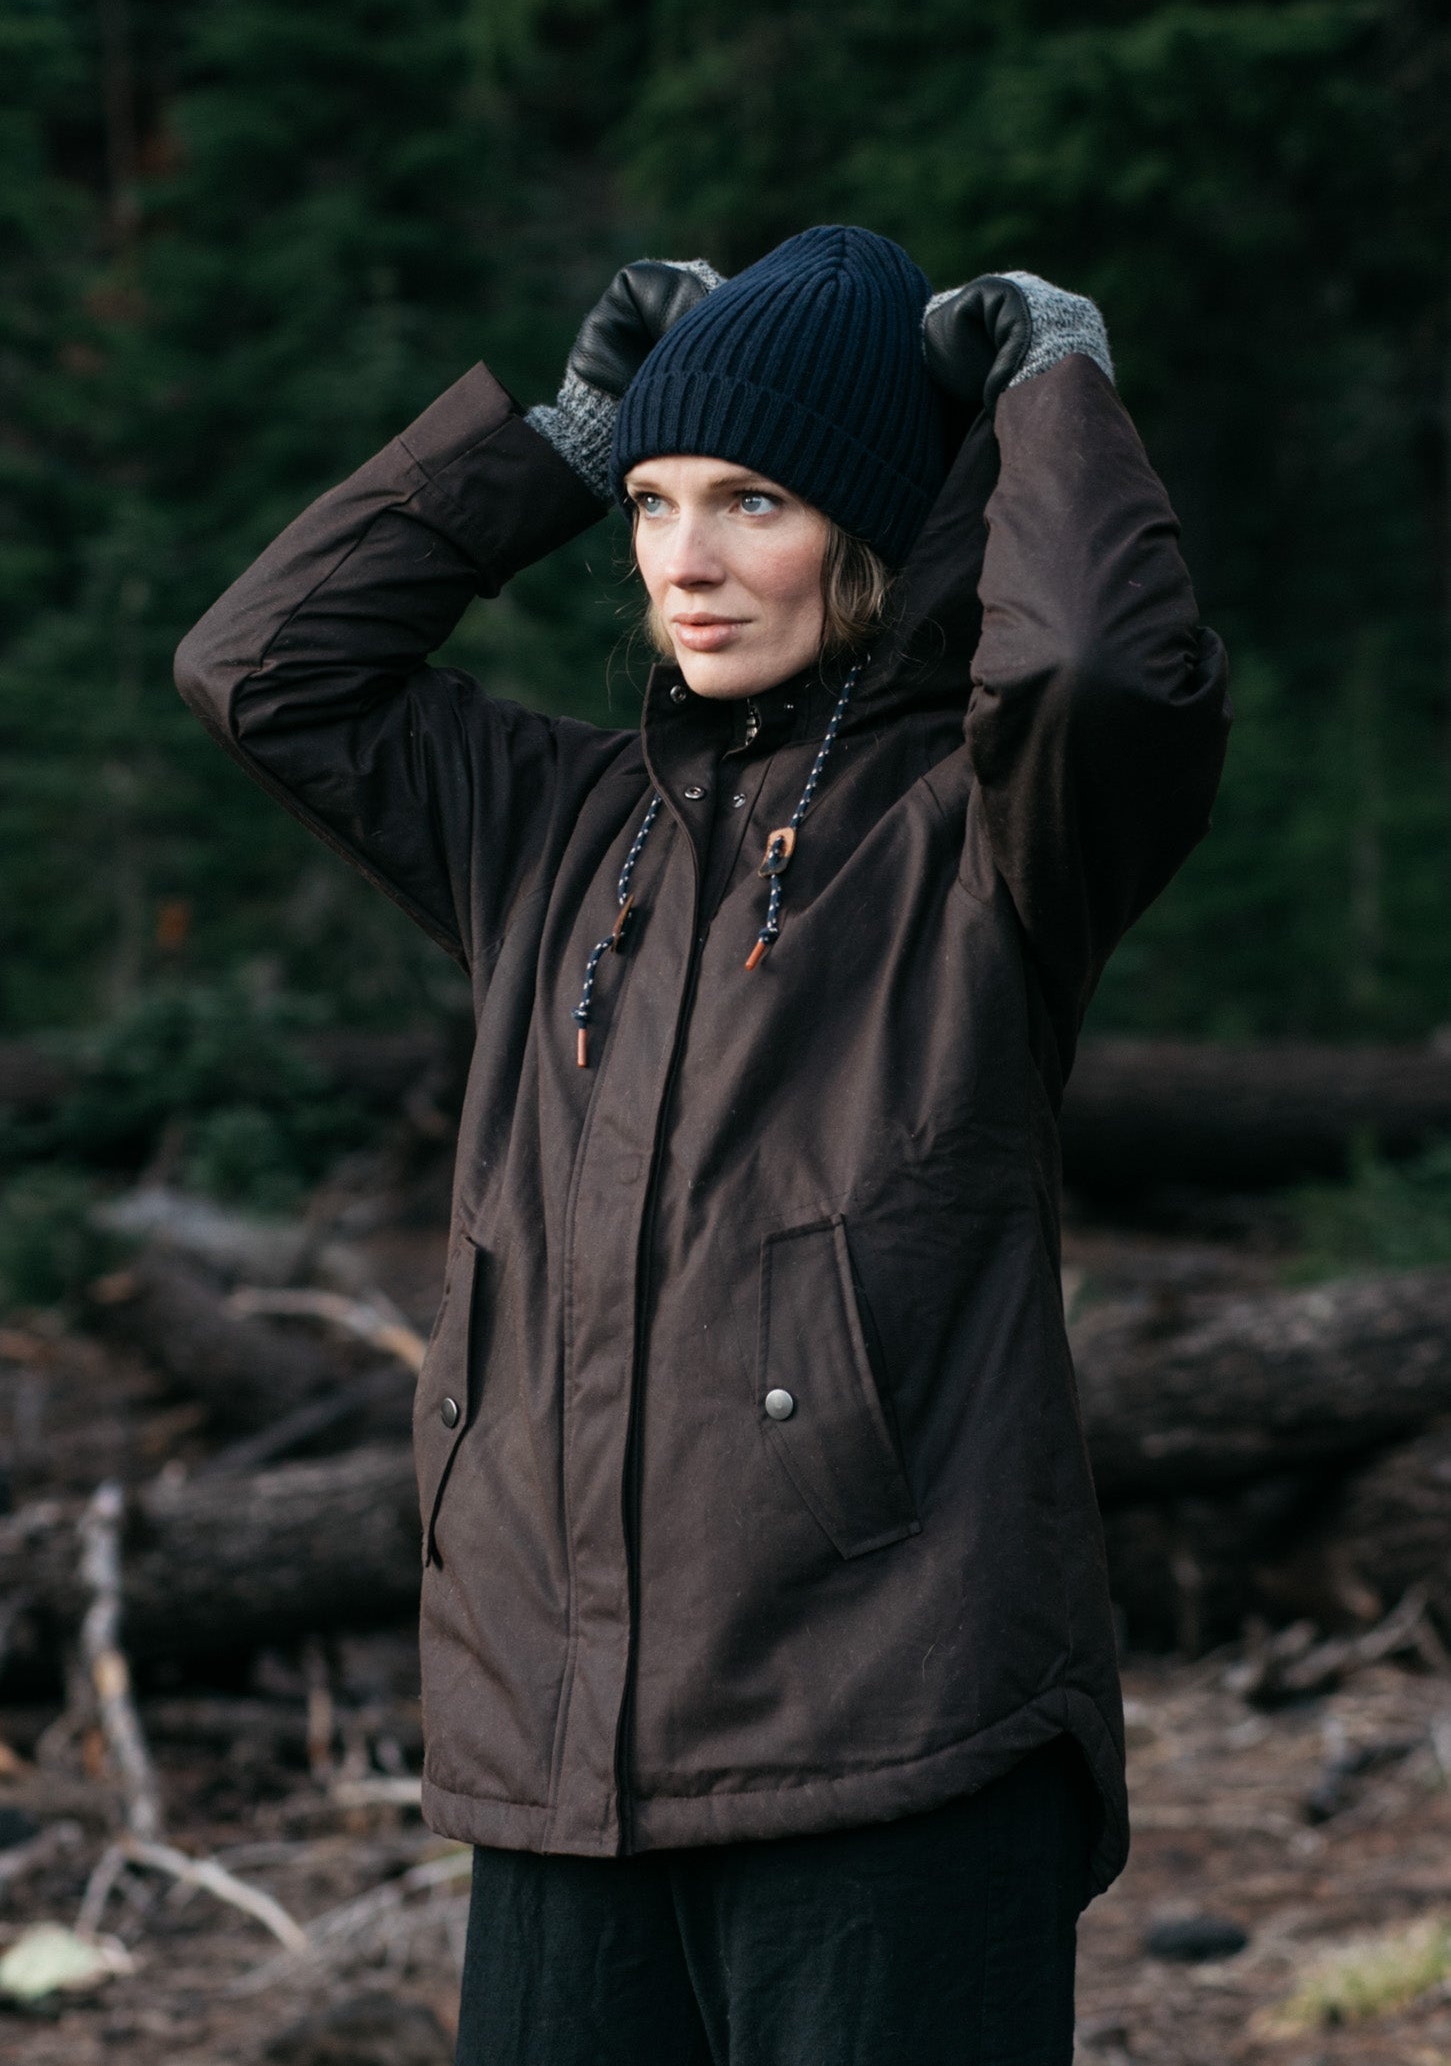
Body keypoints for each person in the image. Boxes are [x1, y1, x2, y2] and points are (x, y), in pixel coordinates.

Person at [176, 225, 1229, 2063]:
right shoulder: (552, 830)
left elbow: (1102, 679)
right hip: (563, 1761)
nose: (686, 559)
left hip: (893, 1739)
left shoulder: (982, 837)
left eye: (753, 499)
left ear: (873, 533)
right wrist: (564, 432)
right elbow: (263, 666)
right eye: (655, 503)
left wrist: (1056, 387)